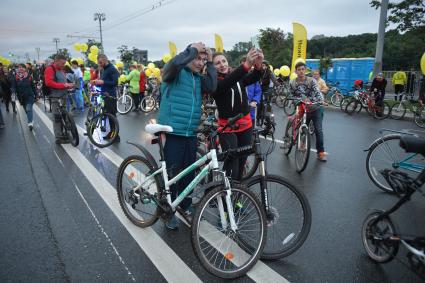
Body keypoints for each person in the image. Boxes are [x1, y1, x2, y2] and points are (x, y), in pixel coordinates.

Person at [157, 42, 216, 230]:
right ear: (189, 55)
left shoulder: (198, 78)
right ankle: (167, 210)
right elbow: (172, 65)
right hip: (172, 130)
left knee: (189, 174)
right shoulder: (175, 72)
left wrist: (212, 62)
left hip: (190, 132)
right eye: (197, 58)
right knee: (172, 174)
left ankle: (185, 206)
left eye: (202, 59)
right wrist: (192, 50)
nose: (200, 63)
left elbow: (213, 86)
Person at [212, 48, 264, 180]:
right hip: (228, 128)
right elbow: (227, 83)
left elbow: (253, 77)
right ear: (212, 67)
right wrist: (246, 64)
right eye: (217, 63)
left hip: (246, 125)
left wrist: (258, 65)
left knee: (241, 165)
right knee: (232, 167)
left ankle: (236, 197)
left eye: (224, 61)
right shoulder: (214, 82)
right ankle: (224, 196)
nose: (222, 64)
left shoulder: (236, 74)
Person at [289, 61, 327, 162]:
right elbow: (291, 94)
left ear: (305, 70)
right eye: (299, 70)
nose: (301, 71)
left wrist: (321, 100)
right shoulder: (292, 83)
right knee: (300, 127)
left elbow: (317, 91)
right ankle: (300, 142)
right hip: (302, 107)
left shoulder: (311, 81)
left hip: (315, 107)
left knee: (318, 130)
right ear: (296, 71)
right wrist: (295, 100)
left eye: (303, 69)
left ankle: (321, 152)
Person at [44, 54, 75, 144]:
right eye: (62, 63)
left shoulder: (61, 69)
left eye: (64, 63)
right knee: (57, 117)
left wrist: (69, 85)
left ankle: (64, 133)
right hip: (55, 97)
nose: (63, 65)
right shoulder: (50, 69)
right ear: (56, 61)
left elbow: (63, 81)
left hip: (64, 95)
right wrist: (63, 85)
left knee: (64, 116)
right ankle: (59, 137)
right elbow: (48, 83)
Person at [92, 54, 120, 141]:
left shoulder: (112, 69)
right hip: (105, 95)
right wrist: (97, 81)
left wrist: (103, 82)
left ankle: (115, 136)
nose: (99, 64)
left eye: (100, 62)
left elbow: (115, 83)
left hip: (110, 95)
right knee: (109, 115)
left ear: (105, 60)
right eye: (98, 63)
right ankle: (112, 133)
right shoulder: (104, 69)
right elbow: (103, 81)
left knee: (112, 115)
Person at [11, 64, 37, 130]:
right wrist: (13, 92)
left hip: (30, 95)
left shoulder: (29, 77)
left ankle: (30, 123)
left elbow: (33, 86)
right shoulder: (16, 77)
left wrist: (36, 95)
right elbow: (13, 86)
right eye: (19, 67)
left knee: (28, 108)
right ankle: (31, 119)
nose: (21, 68)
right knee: (26, 110)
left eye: (22, 67)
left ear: (25, 68)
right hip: (21, 97)